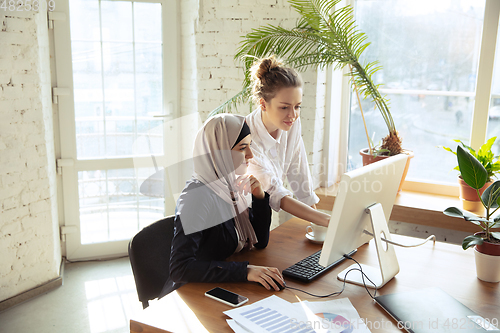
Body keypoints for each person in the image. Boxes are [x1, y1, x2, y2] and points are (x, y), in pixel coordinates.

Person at [160, 114, 284, 298]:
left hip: (219, 285)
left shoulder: (230, 187)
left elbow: (260, 241)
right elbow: (180, 268)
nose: (250, 155)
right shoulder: (196, 197)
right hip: (191, 294)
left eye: (250, 146)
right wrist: (245, 271)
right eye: (243, 148)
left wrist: (259, 198)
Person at [246, 56, 331, 227]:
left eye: (297, 106)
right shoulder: (247, 139)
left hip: (260, 224)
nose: (292, 115)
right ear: (263, 104)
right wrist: (328, 220)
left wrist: (320, 228)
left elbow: (298, 172)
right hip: (238, 224)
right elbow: (277, 194)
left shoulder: (291, 124)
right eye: (284, 107)